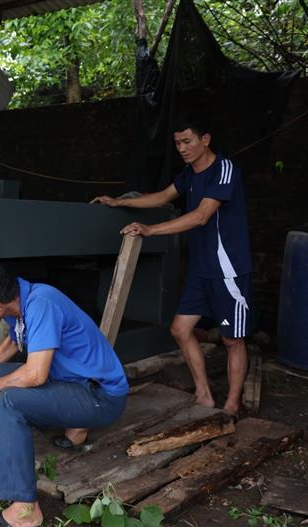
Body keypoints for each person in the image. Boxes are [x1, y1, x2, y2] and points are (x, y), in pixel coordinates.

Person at [92, 112, 253, 415]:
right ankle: (204, 395)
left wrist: (150, 230)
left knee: (233, 340)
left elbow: (202, 215)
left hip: (227, 270)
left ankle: (232, 404)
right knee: (180, 329)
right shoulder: (189, 175)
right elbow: (163, 196)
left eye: (187, 141)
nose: (182, 148)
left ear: (205, 140)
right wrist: (119, 202)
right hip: (200, 270)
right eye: (178, 142)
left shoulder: (224, 169)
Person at [0, 259, 129, 527]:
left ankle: (25, 510)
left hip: (100, 397)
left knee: (8, 400)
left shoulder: (41, 304)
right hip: (74, 380)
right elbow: (13, 341)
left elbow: (35, 375)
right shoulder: (19, 299)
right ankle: (76, 429)